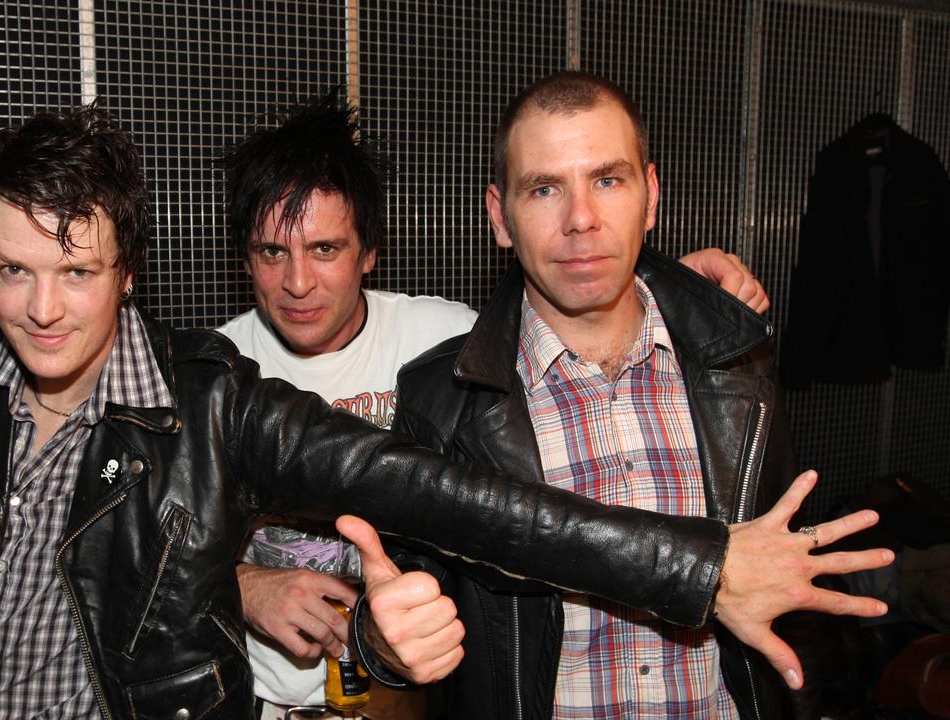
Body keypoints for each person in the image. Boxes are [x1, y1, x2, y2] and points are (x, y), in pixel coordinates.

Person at [0, 101, 824, 720]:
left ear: (130, 271)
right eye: (12, 271)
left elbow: (445, 495)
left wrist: (699, 565)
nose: (40, 308)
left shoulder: (206, 396)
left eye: (76, 273)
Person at [214, 92, 835, 720]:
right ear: (500, 215)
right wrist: (242, 586)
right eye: (272, 252)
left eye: (325, 249)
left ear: (368, 252)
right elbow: (133, 547)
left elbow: (578, 284)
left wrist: (681, 292)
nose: (297, 283)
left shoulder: (450, 345)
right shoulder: (224, 377)